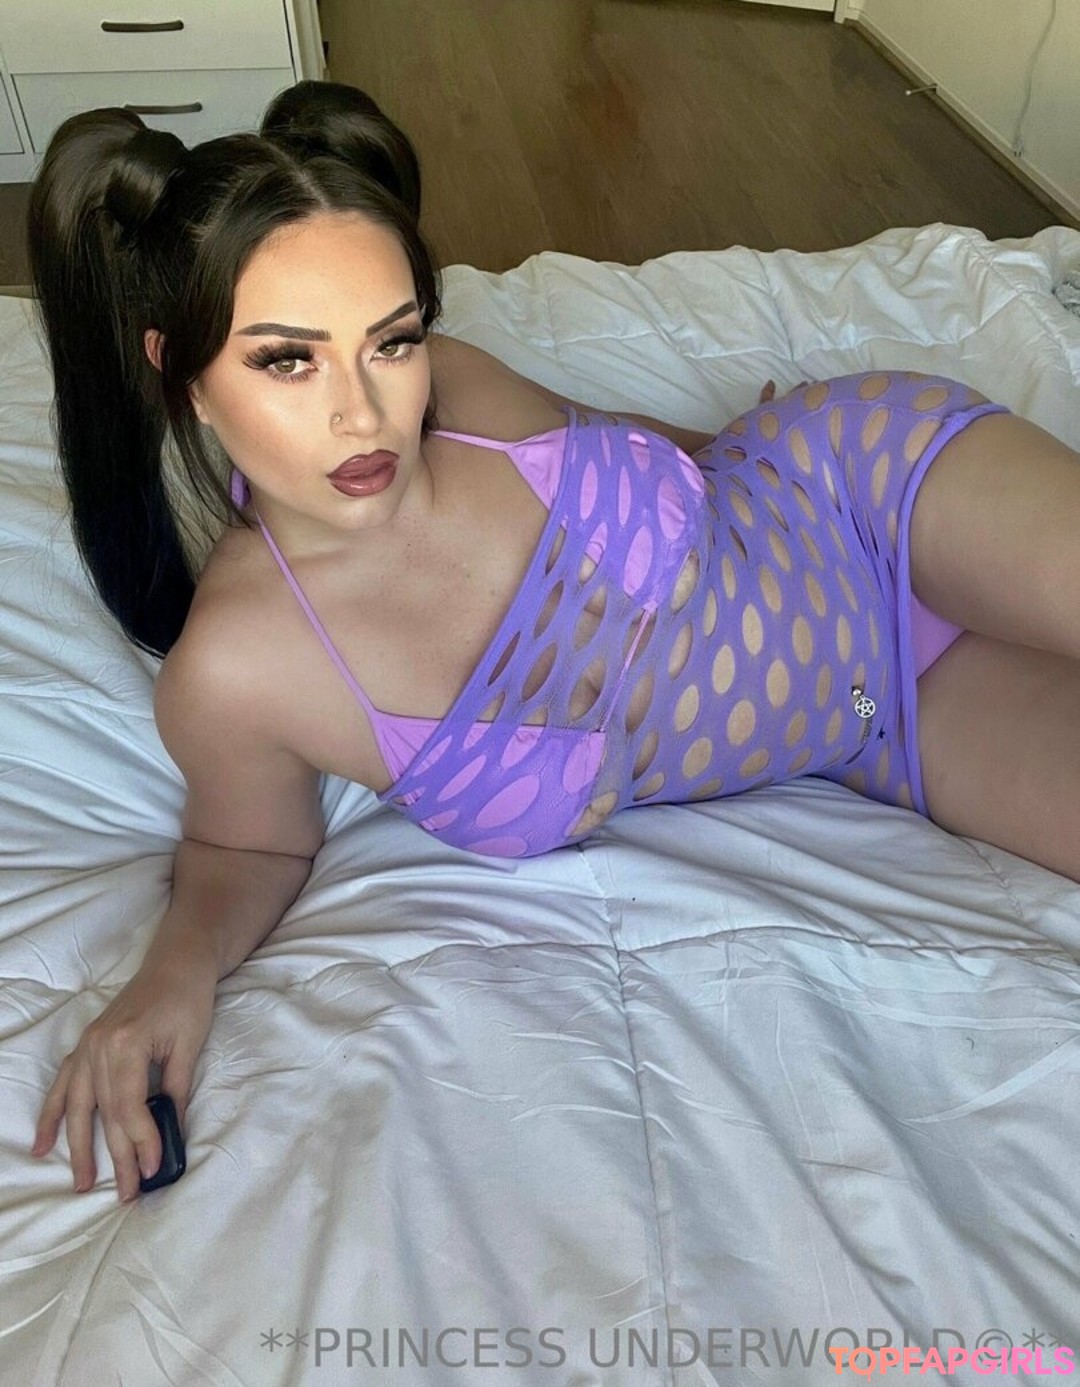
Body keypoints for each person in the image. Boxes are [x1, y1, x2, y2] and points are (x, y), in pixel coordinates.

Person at [26, 81, 1080, 1202]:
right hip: (880, 717)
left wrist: (746, 430)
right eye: (288, 359)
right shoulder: (237, 670)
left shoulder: (462, 392)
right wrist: (169, 979)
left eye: (391, 341)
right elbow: (250, 850)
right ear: (181, 375)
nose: (364, 414)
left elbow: (649, 447)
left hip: (866, 492)